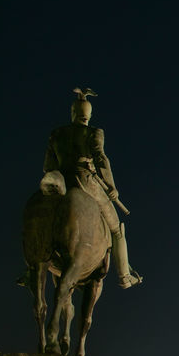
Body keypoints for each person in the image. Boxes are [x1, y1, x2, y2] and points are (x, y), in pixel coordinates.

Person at [42, 88, 142, 288]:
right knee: (116, 229)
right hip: (86, 181)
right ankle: (124, 276)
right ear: (88, 115)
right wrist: (111, 187)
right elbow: (101, 159)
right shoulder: (93, 133)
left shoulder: (57, 134)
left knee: (41, 219)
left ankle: (31, 268)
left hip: (60, 179)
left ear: (72, 113)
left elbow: (48, 167)